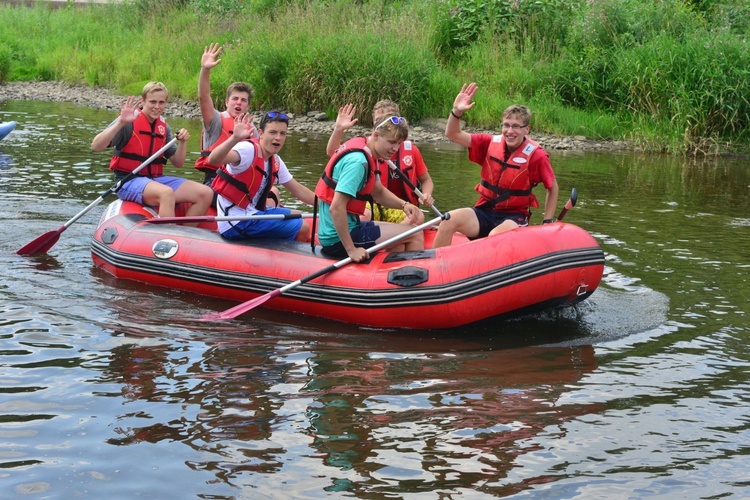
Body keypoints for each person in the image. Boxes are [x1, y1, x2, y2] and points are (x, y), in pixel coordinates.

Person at [433, 82, 559, 248]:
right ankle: (436, 268)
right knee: (448, 220)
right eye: (506, 125)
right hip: (484, 210)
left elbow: (552, 187)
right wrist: (456, 112)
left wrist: (547, 221)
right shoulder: (489, 143)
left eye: (516, 126)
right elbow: (452, 134)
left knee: (493, 237)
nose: (509, 131)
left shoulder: (537, 156)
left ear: (526, 129)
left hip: (514, 217)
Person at [91, 81, 213, 221]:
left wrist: (183, 143)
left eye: (161, 102)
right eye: (153, 102)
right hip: (128, 181)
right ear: (142, 101)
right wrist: (121, 123)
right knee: (166, 193)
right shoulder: (127, 122)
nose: (157, 107)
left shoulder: (164, 128)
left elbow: (178, 163)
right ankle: (169, 237)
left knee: (206, 193)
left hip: (155, 179)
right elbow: (96, 146)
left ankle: (185, 236)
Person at [314, 115, 425, 263]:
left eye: (399, 144)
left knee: (403, 233)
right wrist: (351, 250)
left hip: (352, 226)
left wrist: (404, 205)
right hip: (336, 239)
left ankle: (390, 276)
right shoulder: (358, 162)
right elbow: (336, 207)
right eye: (391, 142)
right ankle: (415, 277)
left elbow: (378, 192)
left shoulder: (370, 153)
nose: (396, 149)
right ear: (376, 135)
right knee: (415, 234)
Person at [207, 110, 315, 242]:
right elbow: (213, 160)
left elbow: (298, 190)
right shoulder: (247, 150)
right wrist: (235, 138)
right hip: (236, 223)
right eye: (273, 132)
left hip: (253, 214)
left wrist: (328, 205)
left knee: (298, 215)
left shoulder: (275, 161)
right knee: (303, 227)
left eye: (283, 134)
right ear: (261, 133)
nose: (278, 138)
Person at [195, 43, 280, 207]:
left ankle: (268, 226)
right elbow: (203, 97)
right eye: (235, 99)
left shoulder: (253, 130)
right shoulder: (215, 121)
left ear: (248, 106)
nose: (238, 103)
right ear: (227, 102)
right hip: (216, 181)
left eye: (243, 100)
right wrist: (205, 70)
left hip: (243, 180)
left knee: (274, 191)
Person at [326, 100, 435, 224]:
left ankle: (396, 238)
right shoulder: (366, 149)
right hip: (371, 203)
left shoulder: (411, 150)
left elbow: (426, 179)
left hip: (399, 205)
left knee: (418, 216)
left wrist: (426, 194)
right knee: (365, 214)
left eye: (388, 119)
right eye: (378, 120)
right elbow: (333, 153)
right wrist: (338, 129)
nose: (382, 123)